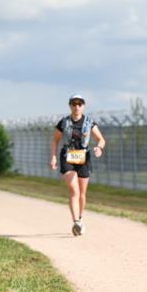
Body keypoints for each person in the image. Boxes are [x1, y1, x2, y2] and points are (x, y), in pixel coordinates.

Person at [50, 94, 106, 236]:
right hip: (68, 157)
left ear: (83, 106)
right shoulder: (63, 122)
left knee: (82, 193)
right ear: (70, 106)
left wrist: (99, 148)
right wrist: (54, 157)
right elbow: (55, 140)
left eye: (79, 104)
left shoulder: (89, 122)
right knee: (74, 190)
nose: (76, 107)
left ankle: (80, 219)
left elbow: (101, 139)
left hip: (83, 157)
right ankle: (75, 222)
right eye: (74, 104)